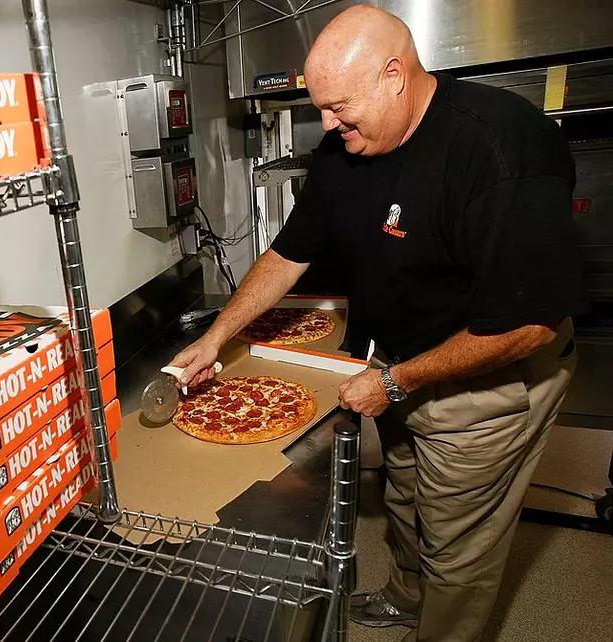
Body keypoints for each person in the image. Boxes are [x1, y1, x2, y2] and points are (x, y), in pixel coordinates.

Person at [168, 6, 584, 642]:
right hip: (402, 360)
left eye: (338, 107)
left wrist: (394, 383)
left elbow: (527, 325)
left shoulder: (503, 148)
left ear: (395, 75)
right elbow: (288, 253)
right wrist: (216, 337)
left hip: (489, 379)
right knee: (406, 497)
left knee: (458, 548)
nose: (328, 125)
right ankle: (404, 597)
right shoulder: (345, 148)